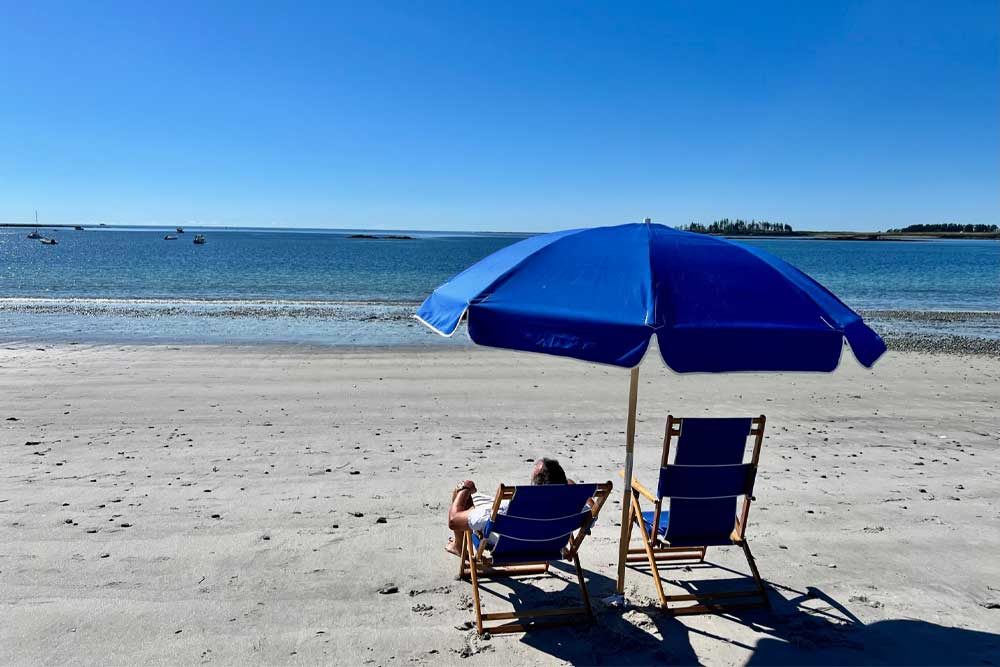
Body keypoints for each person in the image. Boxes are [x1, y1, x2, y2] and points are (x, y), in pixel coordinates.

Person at [446, 457, 587, 556]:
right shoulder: (575, 509)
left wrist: (466, 486)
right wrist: (571, 489)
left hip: (508, 540)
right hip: (547, 544)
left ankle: (458, 547)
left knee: (460, 493)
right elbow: (590, 505)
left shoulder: (507, 508)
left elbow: (453, 521)